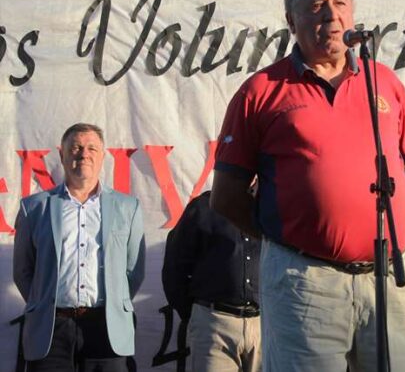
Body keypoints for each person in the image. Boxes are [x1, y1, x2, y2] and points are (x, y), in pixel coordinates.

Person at [210, 0, 405, 372]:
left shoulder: (385, 82)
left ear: (352, 12)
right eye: (315, 5)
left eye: (340, 2)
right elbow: (226, 198)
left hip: (390, 280)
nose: (331, 13)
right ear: (291, 21)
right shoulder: (261, 91)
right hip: (305, 285)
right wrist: (295, 237)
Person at [13, 123, 145, 372]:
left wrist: (115, 304)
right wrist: (43, 304)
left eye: (92, 148)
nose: (84, 154)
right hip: (51, 331)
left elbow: (134, 271)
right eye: (76, 147)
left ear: (102, 156)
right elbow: (23, 271)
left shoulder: (128, 207)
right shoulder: (34, 208)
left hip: (106, 330)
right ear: (62, 155)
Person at [162, 190, 261, 372]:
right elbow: (174, 268)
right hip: (215, 324)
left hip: (261, 326)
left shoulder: (269, 208)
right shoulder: (203, 207)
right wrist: (196, 314)